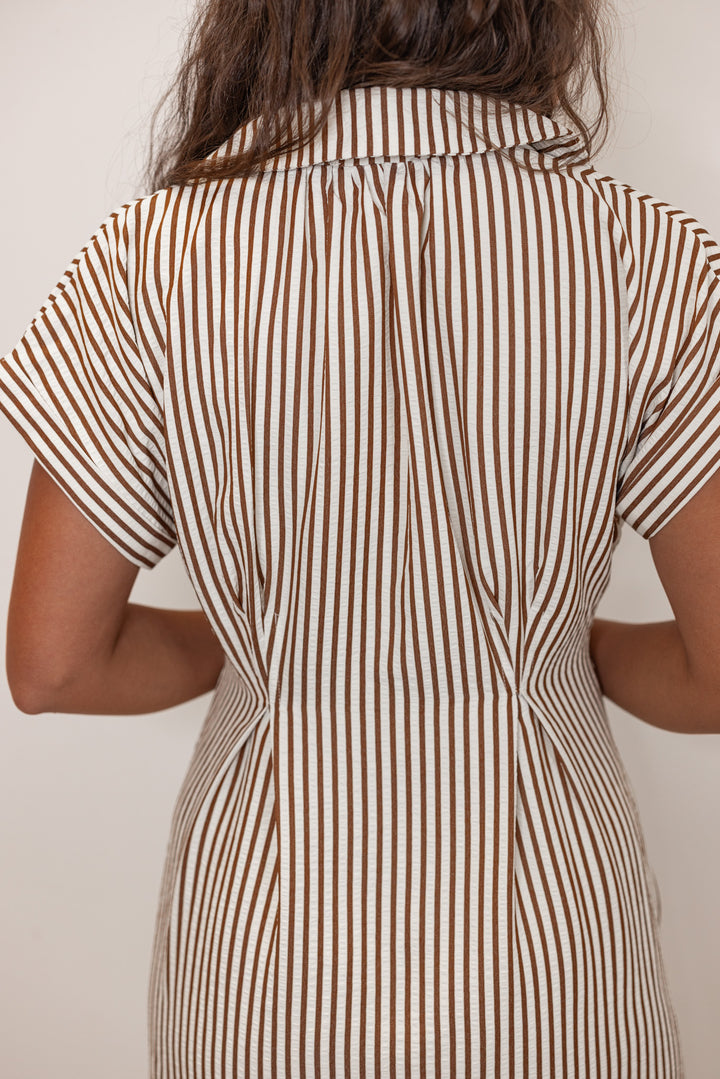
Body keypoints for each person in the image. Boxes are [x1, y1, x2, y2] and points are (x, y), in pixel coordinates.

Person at [1, 1, 718, 1076]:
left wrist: (252, 647)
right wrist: (582, 650)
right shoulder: (644, 259)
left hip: (259, 977)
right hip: (552, 974)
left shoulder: (151, 263)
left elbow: (53, 664)